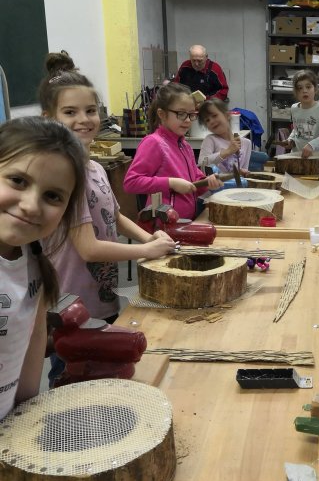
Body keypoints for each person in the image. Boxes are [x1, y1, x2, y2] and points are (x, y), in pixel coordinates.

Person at [39, 52, 177, 325]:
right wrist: (145, 252)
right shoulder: (65, 175)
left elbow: (115, 216)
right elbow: (89, 249)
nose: (84, 119)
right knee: (72, 365)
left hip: (101, 297)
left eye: (90, 110)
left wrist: (148, 239)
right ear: (48, 118)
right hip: (71, 305)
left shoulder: (96, 168)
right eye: (70, 112)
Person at [0, 117, 86, 419]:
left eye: (52, 196)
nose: (31, 205)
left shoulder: (34, 265)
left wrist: (22, 425)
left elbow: (31, 350)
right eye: (18, 181)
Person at [123, 83, 223, 220]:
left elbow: (194, 181)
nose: (188, 120)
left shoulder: (185, 145)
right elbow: (131, 183)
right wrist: (170, 183)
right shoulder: (154, 143)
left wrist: (207, 182)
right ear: (162, 114)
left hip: (184, 222)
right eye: (181, 114)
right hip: (163, 225)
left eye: (191, 114)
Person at [277, 69, 319, 158]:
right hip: (296, 156)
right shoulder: (294, 108)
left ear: (315, 89)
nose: (304, 91)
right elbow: (297, 129)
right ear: (296, 92)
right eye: (300, 88)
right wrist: (291, 141)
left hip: (315, 158)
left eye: (308, 87)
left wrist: (312, 145)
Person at [198, 98, 252, 175]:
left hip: (237, 186)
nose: (212, 121)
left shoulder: (246, 143)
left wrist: (241, 172)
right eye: (207, 120)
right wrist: (228, 151)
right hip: (217, 186)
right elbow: (201, 163)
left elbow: (244, 171)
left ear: (227, 116)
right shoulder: (210, 140)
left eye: (214, 115)